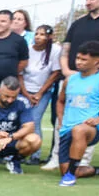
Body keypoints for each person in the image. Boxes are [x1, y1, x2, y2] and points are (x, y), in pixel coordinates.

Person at [54, 41, 99, 186]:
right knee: (64, 169)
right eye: (78, 58)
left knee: (79, 130)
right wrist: (60, 120)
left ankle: (70, 176)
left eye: (84, 59)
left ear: (97, 61)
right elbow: (60, 101)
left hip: (90, 129)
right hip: (67, 127)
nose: (78, 62)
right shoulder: (70, 79)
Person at [22, 26, 64, 166]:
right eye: (36, 34)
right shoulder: (27, 49)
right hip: (24, 90)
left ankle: (35, 154)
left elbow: (55, 73)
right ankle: (20, 152)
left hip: (43, 92)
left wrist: (39, 93)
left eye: (42, 34)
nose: (38, 37)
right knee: (21, 121)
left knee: (34, 120)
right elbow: (19, 72)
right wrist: (25, 93)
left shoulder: (55, 50)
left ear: (49, 37)